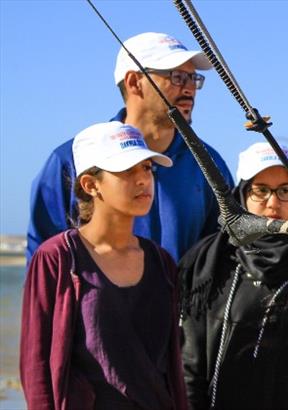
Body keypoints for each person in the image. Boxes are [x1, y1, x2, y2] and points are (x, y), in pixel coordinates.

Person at [20, 122, 186, 410]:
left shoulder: (162, 263)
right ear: (90, 184)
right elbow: (37, 366)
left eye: (147, 168)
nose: (142, 180)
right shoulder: (57, 259)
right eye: (126, 170)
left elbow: (172, 368)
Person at [27, 32, 233, 263]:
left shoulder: (210, 164)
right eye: (177, 77)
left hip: (185, 300)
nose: (189, 89)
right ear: (134, 82)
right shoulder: (71, 159)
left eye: (193, 78)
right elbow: (43, 262)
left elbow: (225, 254)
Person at [179, 142, 288, 409]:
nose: (273, 203)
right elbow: (189, 364)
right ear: (241, 194)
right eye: (261, 191)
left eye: (285, 190)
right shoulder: (208, 261)